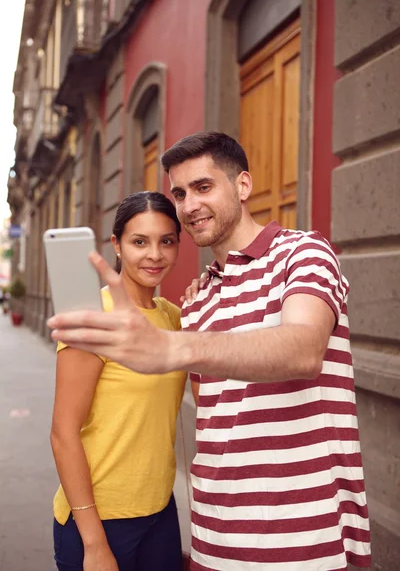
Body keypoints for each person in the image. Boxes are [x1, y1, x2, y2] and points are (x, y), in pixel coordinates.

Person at [48, 132, 371, 571]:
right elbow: (217, 419)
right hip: (215, 539)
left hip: (306, 536)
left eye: (203, 187)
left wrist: (171, 345)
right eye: (179, 193)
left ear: (242, 185)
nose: (189, 205)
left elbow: (304, 349)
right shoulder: (197, 302)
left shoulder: (304, 253)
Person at [50, 191, 186, 571]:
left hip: (160, 510)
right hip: (98, 517)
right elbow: (63, 433)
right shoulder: (91, 318)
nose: (154, 255)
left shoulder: (174, 318)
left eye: (167, 241)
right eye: (139, 241)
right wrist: (94, 543)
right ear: (117, 245)